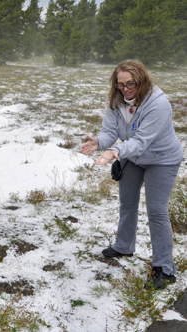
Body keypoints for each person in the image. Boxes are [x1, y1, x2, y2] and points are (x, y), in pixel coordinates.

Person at [80, 59, 183, 290]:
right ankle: (124, 246)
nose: (125, 89)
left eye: (130, 84)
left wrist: (115, 150)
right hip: (132, 157)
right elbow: (110, 131)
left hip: (161, 159)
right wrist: (99, 142)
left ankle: (164, 268)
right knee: (127, 203)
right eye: (120, 84)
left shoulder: (158, 104)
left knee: (156, 211)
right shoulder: (116, 101)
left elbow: (141, 141)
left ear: (142, 80)